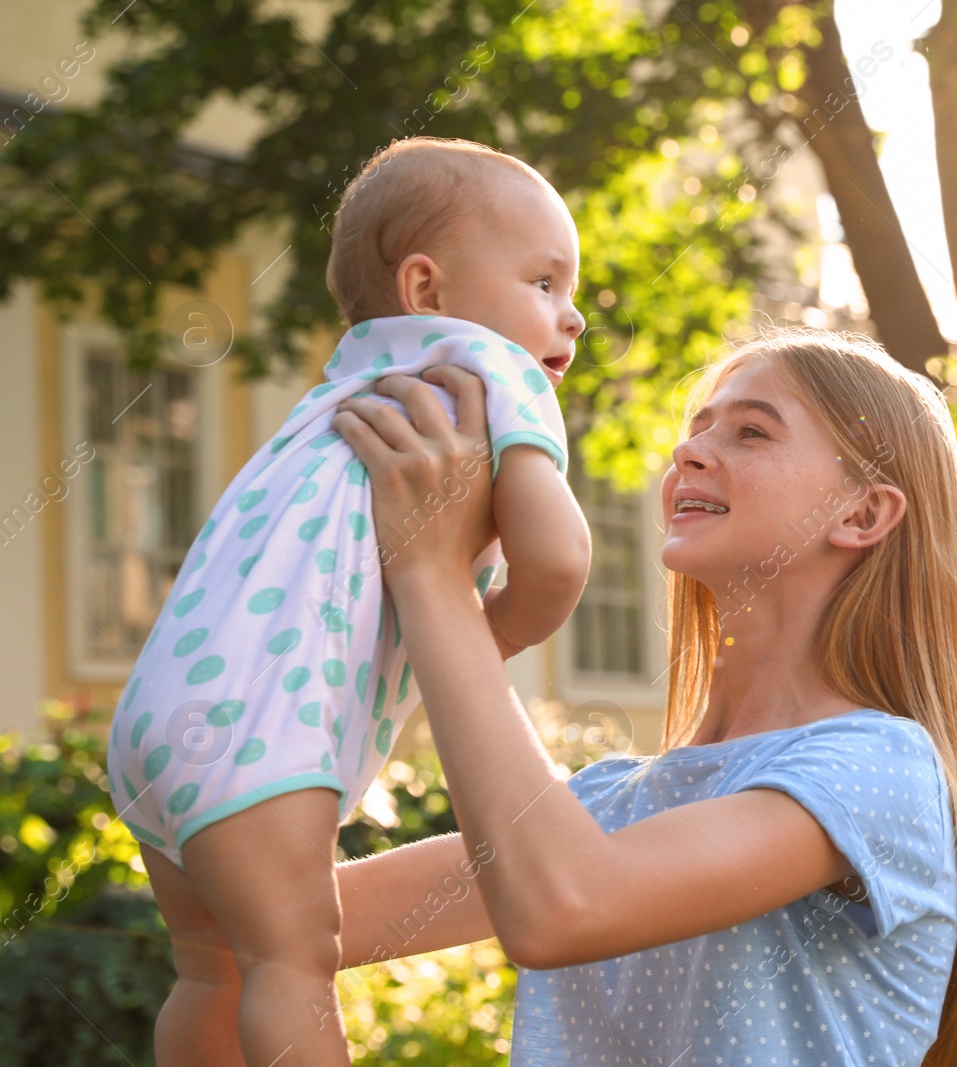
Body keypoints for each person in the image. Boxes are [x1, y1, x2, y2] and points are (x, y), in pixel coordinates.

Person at [330, 327, 957, 1066]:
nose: (687, 452)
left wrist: (435, 576)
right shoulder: (603, 810)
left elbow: (563, 906)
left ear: (862, 514)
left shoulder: (879, 768)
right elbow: (270, 916)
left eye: (752, 431)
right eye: (698, 429)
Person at [105, 137, 593, 1066]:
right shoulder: (487, 372)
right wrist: (487, 640)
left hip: (156, 720)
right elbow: (560, 559)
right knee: (295, 963)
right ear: (428, 290)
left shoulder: (344, 387)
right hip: (260, 731)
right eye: (544, 283)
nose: (568, 320)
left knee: (214, 970)